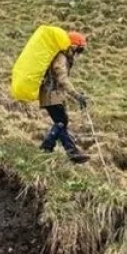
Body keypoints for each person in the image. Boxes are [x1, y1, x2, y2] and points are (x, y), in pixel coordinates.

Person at [40, 31, 90, 163]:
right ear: (73, 47)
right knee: (62, 121)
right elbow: (62, 78)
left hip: (54, 94)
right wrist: (76, 95)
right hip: (51, 93)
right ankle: (47, 146)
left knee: (62, 122)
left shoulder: (64, 58)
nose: (79, 54)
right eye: (80, 50)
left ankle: (70, 151)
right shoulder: (61, 58)